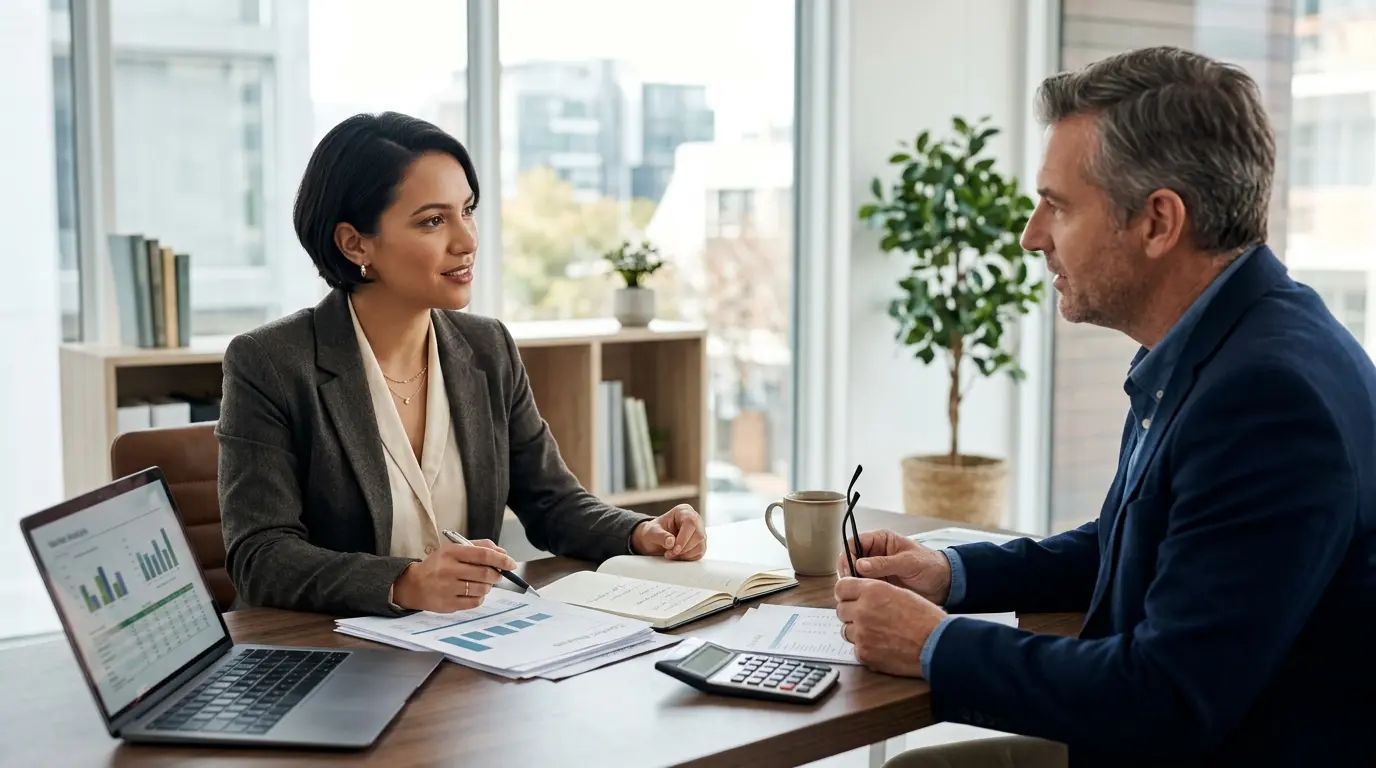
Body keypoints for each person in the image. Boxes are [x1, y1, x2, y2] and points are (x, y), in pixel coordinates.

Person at [836, 46, 1376, 766]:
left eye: (1056, 205)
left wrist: (932, 643)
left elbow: (1164, 697)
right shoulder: (1231, 340)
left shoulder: (1265, 399)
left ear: (1158, 222)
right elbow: (1137, 541)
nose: (1032, 236)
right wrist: (952, 574)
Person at [217, 112, 706, 618]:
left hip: (465, 648)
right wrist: (403, 582)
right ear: (354, 243)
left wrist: (638, 532)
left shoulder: (487, 347)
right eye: (432, 220)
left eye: (466, 210)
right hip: (331, 655)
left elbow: (552, 503)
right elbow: (261, 556)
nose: (467, 239)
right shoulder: (270, 363)